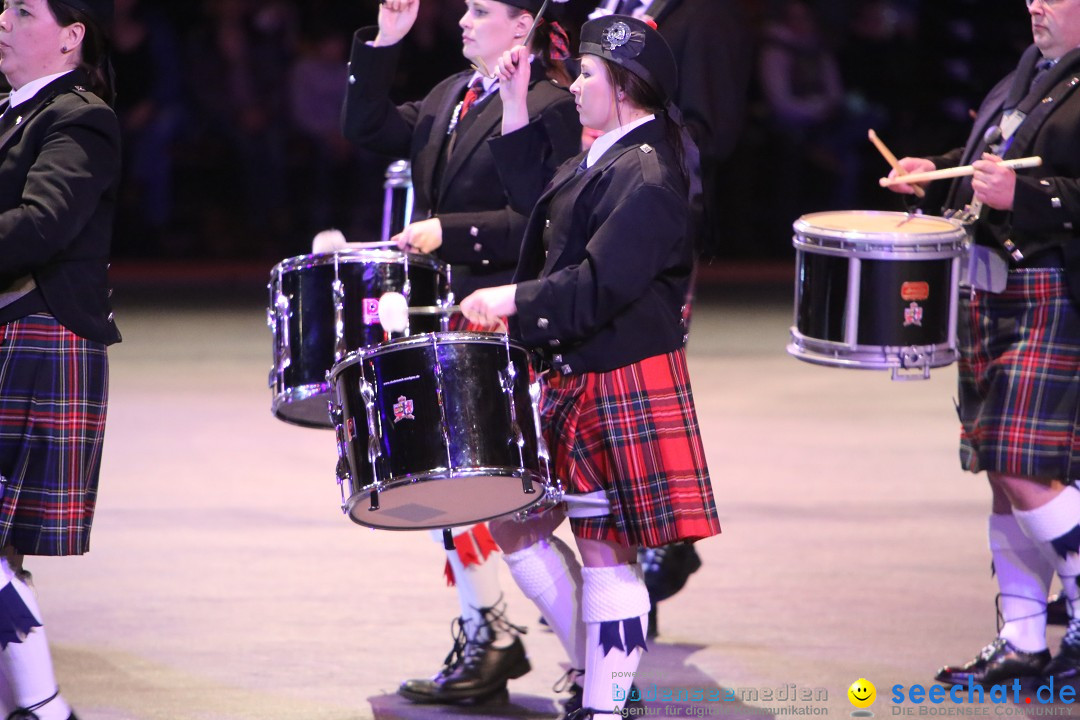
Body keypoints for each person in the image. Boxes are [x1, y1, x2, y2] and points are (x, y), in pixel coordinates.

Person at [461, 14, 721, 718]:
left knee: (606, 552)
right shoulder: (607, 153)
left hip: (618, 376)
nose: (572, 85)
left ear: (626, 86)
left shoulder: (650, 175)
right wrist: (514, 105)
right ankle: (602, 680)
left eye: (585, 74)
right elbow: (538, 204)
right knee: (517, 528)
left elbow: (597, 286)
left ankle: (606, 705)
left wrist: (509, 298)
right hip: (580, 373)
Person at [340, 0, 581, 705]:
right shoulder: (451, 94)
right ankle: (490, 636)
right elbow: (366, 128)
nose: (464, 21)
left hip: (509, 321)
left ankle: (593, 667)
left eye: (481, 10)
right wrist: (383, 43)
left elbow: (544, 219)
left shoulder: (547, 103)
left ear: (523, 27)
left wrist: (452, 229)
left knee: (512, 511)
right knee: (447, 488)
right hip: (448, 319)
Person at [886, 0, 1080, 686]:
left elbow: (1037, 188)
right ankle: (1024, 640)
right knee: (1002, 473)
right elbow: (987, 165)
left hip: (1053, 293)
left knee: (1024, 469)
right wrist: (932, 173)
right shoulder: (1025, 73)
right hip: (989, 290)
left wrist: (1028, 198)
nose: (1034, 3)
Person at [585, 0, 752, 634]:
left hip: (651, 212)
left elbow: (714, 129)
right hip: (591, 203)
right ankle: (644, 560)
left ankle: (654, 550)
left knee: (635, 385)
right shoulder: (614, 7)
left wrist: (620, 135)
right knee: (596, 393)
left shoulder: (703, 16)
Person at [0, 0, 122, 718]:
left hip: (38, 336)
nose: (2, 20)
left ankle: (45, 711)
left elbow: (43, 222)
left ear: (71, 35)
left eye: (22, 9)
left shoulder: (79, 116)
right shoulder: (12, 112)